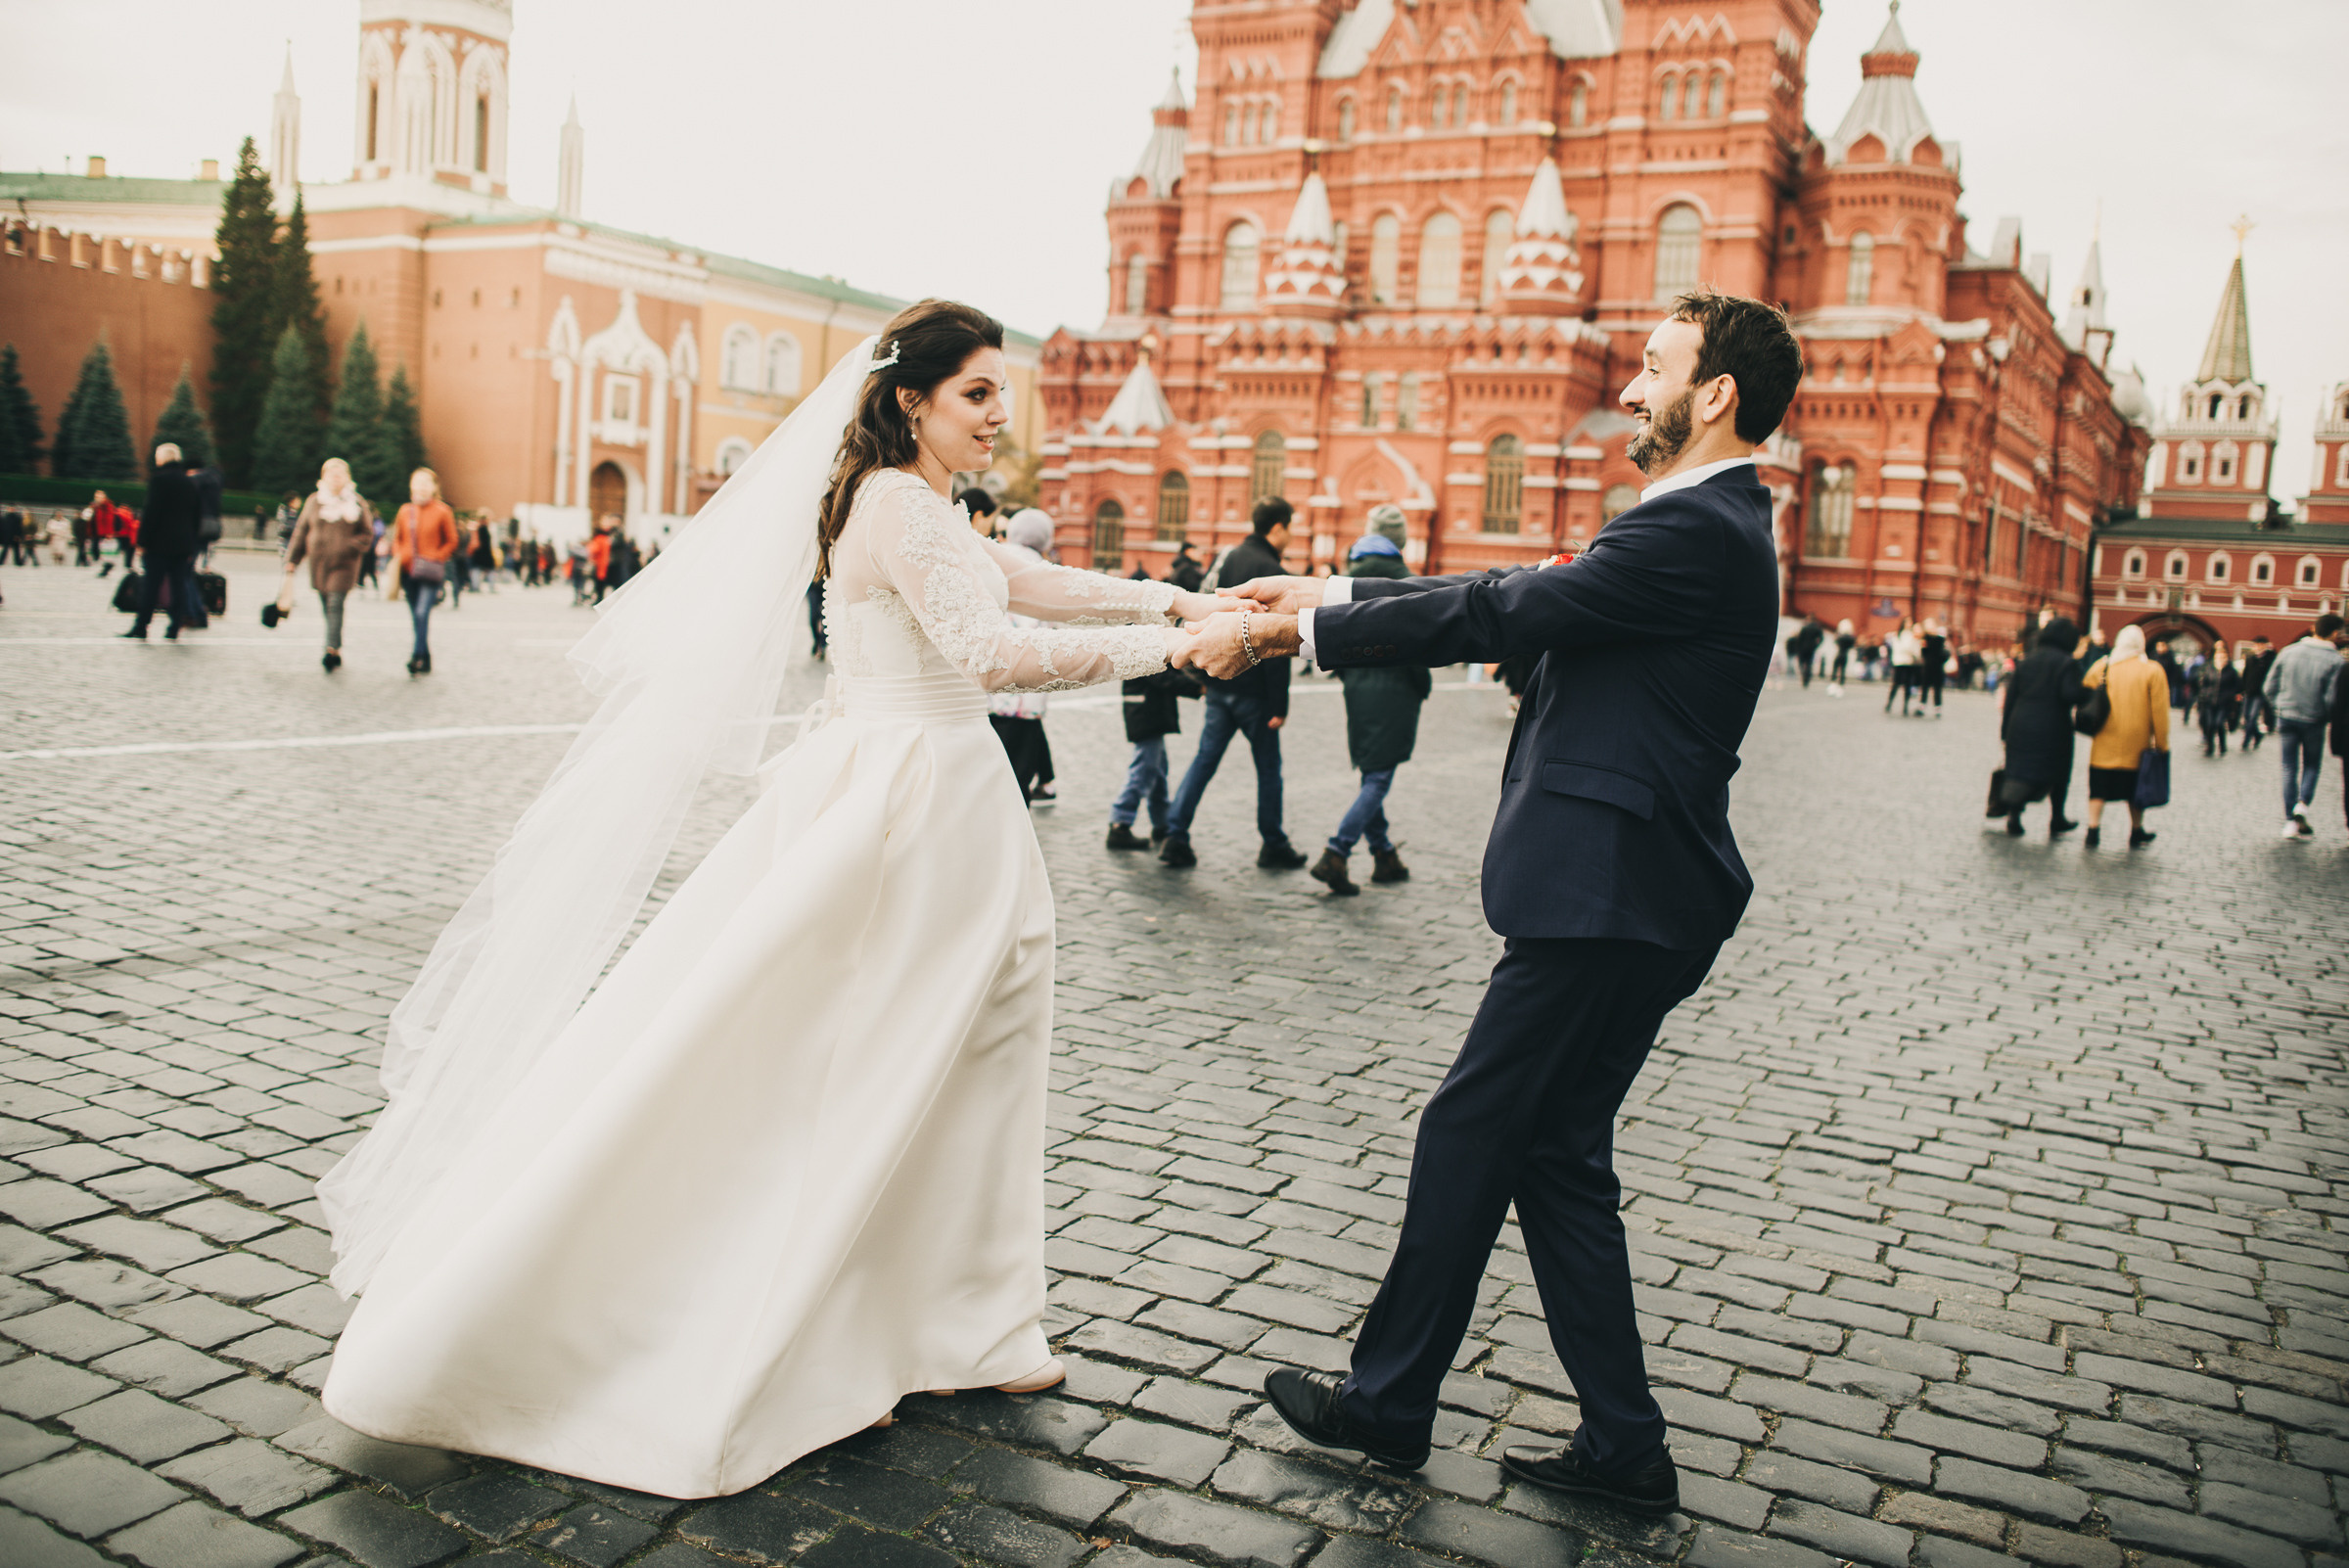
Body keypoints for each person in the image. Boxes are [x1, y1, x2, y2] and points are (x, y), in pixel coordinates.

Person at [314, 300, 1233, 1499]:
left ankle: (964, 1321)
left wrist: (1173, 603)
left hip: (928, 791)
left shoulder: (918, 501)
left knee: (969, 1054)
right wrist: (1183, 649)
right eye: (978, 393)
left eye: (1003, 391)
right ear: (915, 400)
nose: (1001, 413)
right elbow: (995, 652)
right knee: (910, 1059)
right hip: (921, 800)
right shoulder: (900, 504)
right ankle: (925, 1320)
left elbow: (1024, 577)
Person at [1195, 288, 1802, 1516]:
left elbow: (1508, 609)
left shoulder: (1698, 528)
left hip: (1609, 894)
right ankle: (1624, 1448)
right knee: (1559, 1159)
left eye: (1651, 366)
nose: (1629, 388)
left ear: (1717, 393)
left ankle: (1390, 1401)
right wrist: (1333, 588)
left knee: (1471, 1129)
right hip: (1633, 890)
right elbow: (1529, 582)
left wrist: (1307, 630)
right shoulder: (1703, 521)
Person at [1160, 496, 1304, 870]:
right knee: (1268, 770)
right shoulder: (1272, 570)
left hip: (1221, 684)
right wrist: (1279, 705)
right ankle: (1273, 843)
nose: (1291, 535)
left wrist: (1203, 673)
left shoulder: (1230, 558)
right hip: (1256, 692)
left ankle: (1175, 835)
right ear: (1277, 528)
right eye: (1290, 527)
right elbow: (1275, 640)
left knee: (1203, 761)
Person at [1312, 530, 1430, 896]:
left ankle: (1384, 855)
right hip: (1394, 691)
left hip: (1358, 689)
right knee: (1378, 779)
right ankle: (1337, 850)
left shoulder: (1346, 583)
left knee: (1371, 774)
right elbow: (1418, 641)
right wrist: (1421, 685)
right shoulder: (1407, 581)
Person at [988, 509, 1060, 803]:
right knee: (1018, 780)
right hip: (1029, 695)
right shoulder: (1046, 574)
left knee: (990, 772)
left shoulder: (990, 562)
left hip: (990, 690)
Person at [280, 458, 380, 673]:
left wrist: (350, 546)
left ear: (348, 478)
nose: (336, 477)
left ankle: (330, 649)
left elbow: (367, 533)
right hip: (319, 565)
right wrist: (292, 561)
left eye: (340, 473)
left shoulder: (357, 502)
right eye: (331, 473)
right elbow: (301, 532)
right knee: (327, 605)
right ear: (323, 477)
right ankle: (335, 643)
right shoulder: (314, 501)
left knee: (335, 602)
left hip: (345, 564)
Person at [2078, 623, 2169, 850]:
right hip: (2136, 745)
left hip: (2104, 742)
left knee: (2098, 789)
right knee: (2134, 790)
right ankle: (2136, 830)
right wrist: (2162, 743)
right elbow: (2160, 712)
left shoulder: (2103, 666)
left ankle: (2092, 830)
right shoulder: (2152, 670)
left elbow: (2085, 692)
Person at [1995, 615, 2082, 838]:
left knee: (2018, 771)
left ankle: (2014, 816)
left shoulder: (2027, 661)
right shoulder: (2067, 663)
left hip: (2020, 724)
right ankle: (2057, 818)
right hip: (2053, 728)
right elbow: (2070, 694)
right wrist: (2091, 692)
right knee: (2058, 774)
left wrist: (2005, 731)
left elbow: (2011, 698)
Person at [1106, 663, 1202, 850]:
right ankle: (1119, 824)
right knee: (1145, 768)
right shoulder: (1146, 637)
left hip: (1148, 709)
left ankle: (1162, 823)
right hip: (1145, 712)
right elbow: (1160, 676)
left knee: (1157, 770)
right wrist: (1197, 686)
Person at [2266, 613, 2345, 839]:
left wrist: (2278, 707)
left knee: (2288, 768)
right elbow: (2332, 699)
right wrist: (2325, 716)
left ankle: (2290, 822)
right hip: (2314, 720)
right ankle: (2302, 804)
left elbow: (2269, 686)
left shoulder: (2288, 652)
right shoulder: (2335, 661)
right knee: (2311, 766)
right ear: (2333, 634)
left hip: (2286, 716)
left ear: (2313, 628)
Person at [122, 443, 206, 641]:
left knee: (151, 587)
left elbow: (151, 512)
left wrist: (142, 541)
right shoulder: (191, 482)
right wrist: (192, 544)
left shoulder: (159, 480)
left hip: (158, 545)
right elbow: (196, 516)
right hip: (183, 545)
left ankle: (142, 626)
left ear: (163, 459)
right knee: (179, 587)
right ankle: (174, 627)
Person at [391, 468, 459, 675]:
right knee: (416, 616)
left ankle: (417, 656)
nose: (421, 486)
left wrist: (437, 556)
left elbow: (452, 540)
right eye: (417, 482)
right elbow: (397, 538)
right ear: (411, 486)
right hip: (408, 571)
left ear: (434, 487)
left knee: (422, 612)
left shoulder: (442, 511)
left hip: (430, 571)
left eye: (425, 482)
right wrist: (399, 555)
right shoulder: (405, 510)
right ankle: (426, 656)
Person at [2191, 643, 2242, 757]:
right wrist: (2202, 696)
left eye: (2223, 657)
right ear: (2215, 658)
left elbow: (2238, 686)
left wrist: (2233, 696)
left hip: (2224, 703)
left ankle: (2222, 745)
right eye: (2218, 657)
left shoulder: (2231, 671)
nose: (2221, 660)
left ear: (2227, 658)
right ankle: (2210, 746)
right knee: (2209, 724)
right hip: (2209, 702)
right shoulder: (2209, 669)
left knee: (2219, 723)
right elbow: (2203, 684)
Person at [2238, 635, 2276, 749]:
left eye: (2260, 644)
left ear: (2265, 645)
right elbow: (2245, 675)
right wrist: (2241, 690)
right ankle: (2257, 735)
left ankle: (2246, 740)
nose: (2258, 647)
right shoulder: (2250, 658)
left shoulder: (2270, 658)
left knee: (2253, 716)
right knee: (2247, 717)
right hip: (2249, 692)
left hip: (2260, 693)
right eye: (2256, 644)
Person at [1884, 620, 1919, 715]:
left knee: (1907, 685)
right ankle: (1889, 703)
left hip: (1909, 662)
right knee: (1896, 684)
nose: (1909, 624)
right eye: (1907, 622)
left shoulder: (1912, 635)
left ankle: (1905, 707)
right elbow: (1901, 648)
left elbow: (1915, 650)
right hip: (1899, 662)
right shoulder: (1898, 635)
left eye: (1910, 623)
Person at [1916, 619, 1949, 715]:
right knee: (1925, 687)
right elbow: (1923, 653)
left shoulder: (1940, 638)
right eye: (1926, 625)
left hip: (1938, 667)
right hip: (1927, 667)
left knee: (1937, 689)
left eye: (1929, 624)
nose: (1928, 627)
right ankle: (1922, 707)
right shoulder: (1925, 638)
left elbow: (1943, 653)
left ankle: (1937, 708)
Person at [1828, 619, 1855, 693]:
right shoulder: (1851, 638)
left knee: (1835, 668)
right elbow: (1852, 645)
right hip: (1845, 655)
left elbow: (1836, 642)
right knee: (1843, 670)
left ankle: (1833, 681)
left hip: (1839, 654)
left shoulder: (1840, 637)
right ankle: (1841, 683)